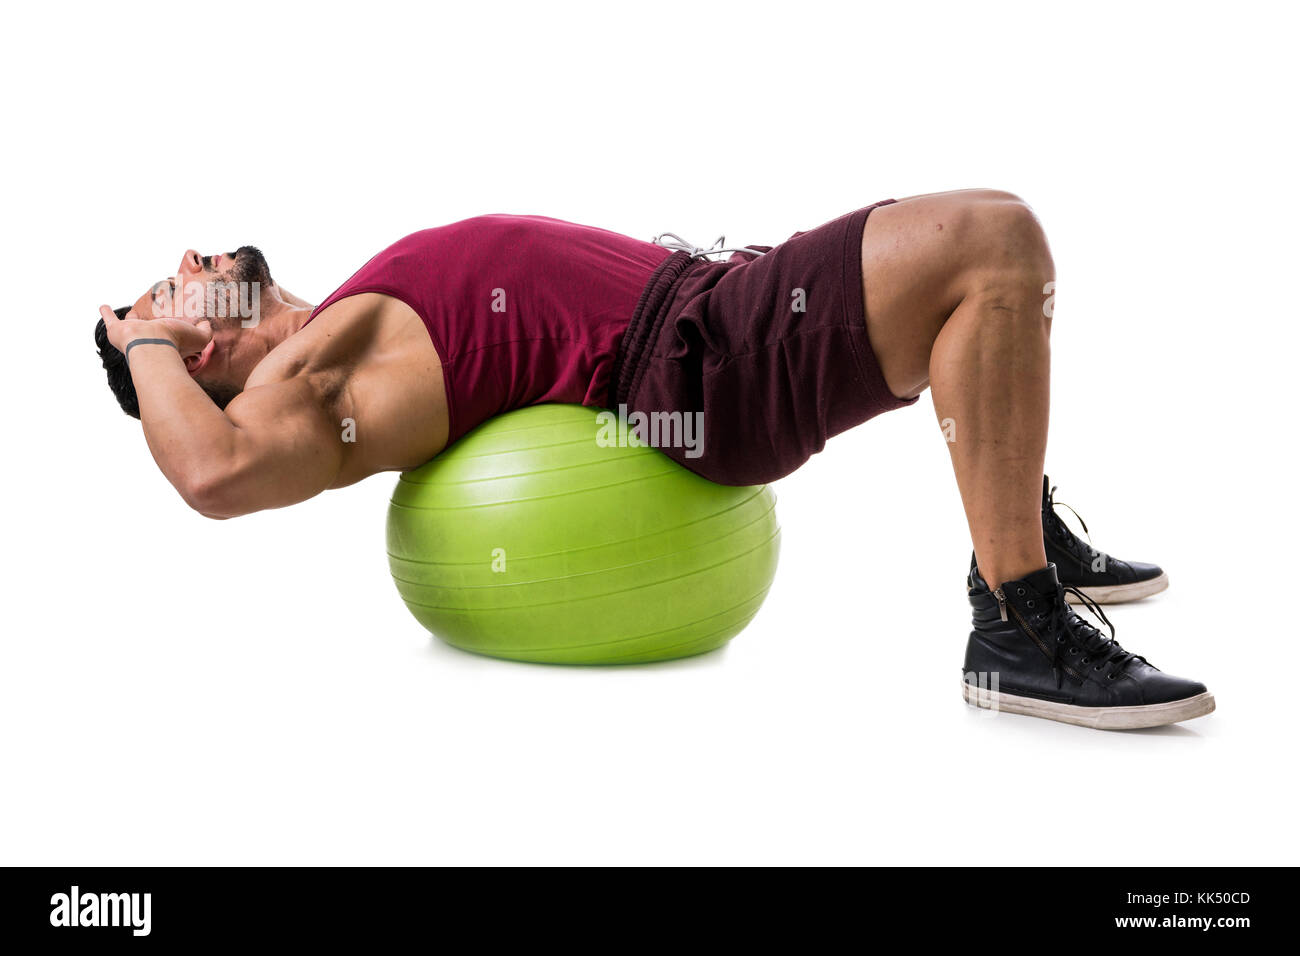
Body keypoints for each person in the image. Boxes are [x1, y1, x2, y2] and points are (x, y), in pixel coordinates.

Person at [94, 189, 1212, 729]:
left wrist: (158, 322)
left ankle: (1018, 538)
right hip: (699, 359)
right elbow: (216, 475)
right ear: (201, 356)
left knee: (978, 283)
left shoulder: (333, 319)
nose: (189, 259)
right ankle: (1016, 622)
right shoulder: (307, 379)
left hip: (709, 305)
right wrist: (137, 335)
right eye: (170, 283)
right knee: (992, 240)